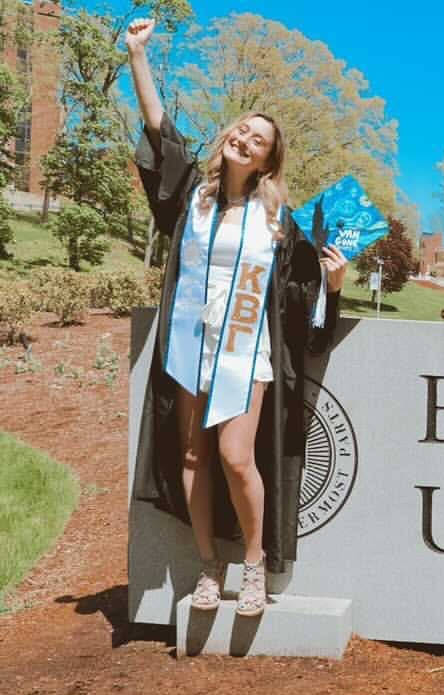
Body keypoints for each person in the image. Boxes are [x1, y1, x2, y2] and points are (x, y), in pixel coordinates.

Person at [126, 18, 347, 617]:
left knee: (234, 457)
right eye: (242, 131)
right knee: (193, 457)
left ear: (267, 162)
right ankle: (207, 567)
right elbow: (160, 132)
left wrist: (330, 284)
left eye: (258, 141)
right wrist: (138, 56)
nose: (244, 140)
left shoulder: (277, 219)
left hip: (245, 347)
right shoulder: (193, 197)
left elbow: (301, 289)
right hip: (189, 343)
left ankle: (253, 565)